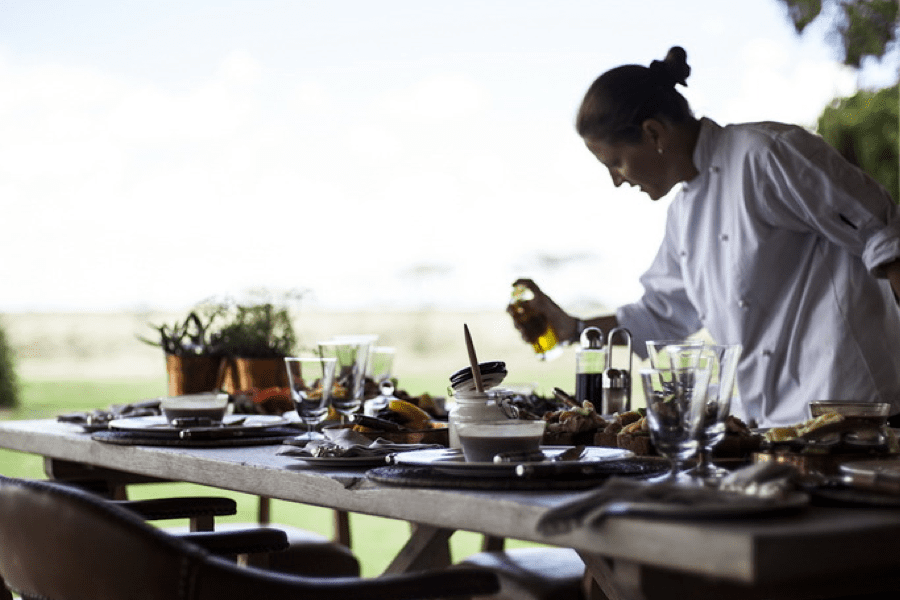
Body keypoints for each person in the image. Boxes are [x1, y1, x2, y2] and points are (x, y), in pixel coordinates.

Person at [510, 46, 900, 428]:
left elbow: (885, 235)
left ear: (653, 132)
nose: (617, 180)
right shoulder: (684, 214)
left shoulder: (766, 155)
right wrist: (573, 329)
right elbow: (660, 315)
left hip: (857, 415)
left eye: (616, 162)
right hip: (771, 429)